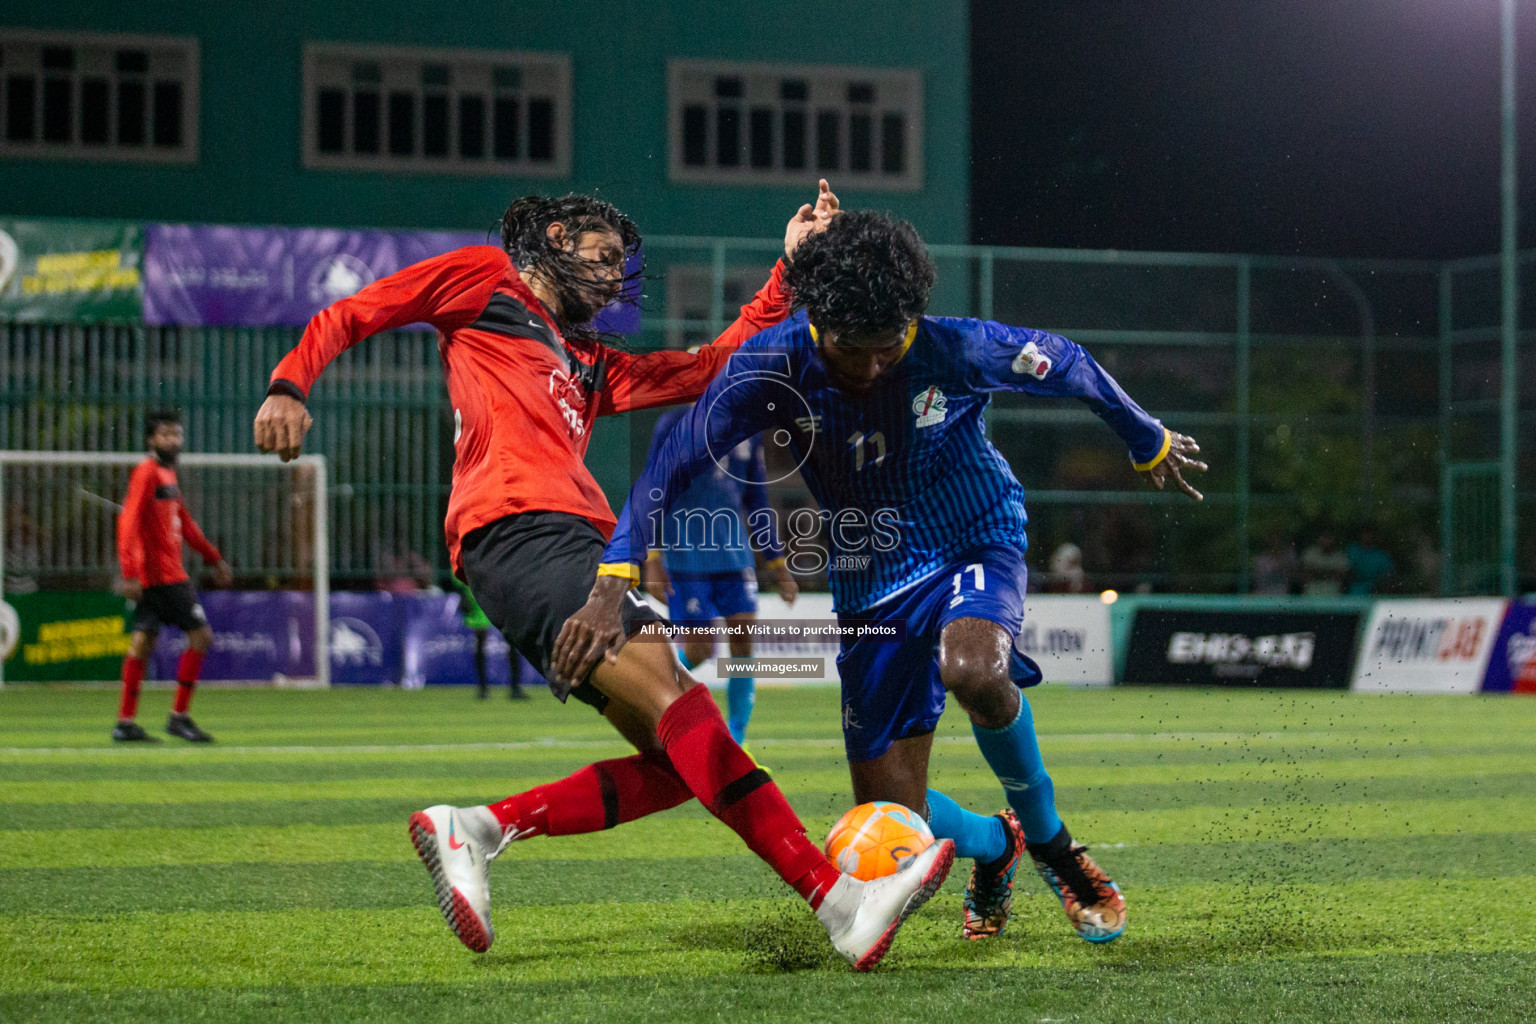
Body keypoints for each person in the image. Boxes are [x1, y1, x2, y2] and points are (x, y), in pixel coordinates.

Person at [253, 184, 952, 971]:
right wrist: (288, 382)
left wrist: (786, 273)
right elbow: (358, 310)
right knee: (683, 709)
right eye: (604, 258)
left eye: (624, 266)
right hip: (520, 532)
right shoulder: (486, 281)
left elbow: (711, 367)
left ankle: (478, 828)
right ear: (555, 237)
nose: (617, 278)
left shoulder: (590, 363)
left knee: (675, 765)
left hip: (569, 544)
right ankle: (840, 903)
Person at [558, 210, 1207, 945]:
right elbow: (671, 463)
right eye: (852, 352)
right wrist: (615, 572)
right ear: (817, 323)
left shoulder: (949, 346)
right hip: (870, 579)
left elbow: (1066, 361)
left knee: (972, 667)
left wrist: (1146, 438)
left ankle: (1057, 848)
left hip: (973, 534)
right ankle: (999, 845)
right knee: (896, 818)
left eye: (886, 348)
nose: (871, 368)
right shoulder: (769, 370)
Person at [640, 409, 797, 744]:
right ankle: (648, 689)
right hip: (685, 554)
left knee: (743, 637)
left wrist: (777, 564)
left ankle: (737, 737)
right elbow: (651, 489)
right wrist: (651, 557)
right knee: (699, 650)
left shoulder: (749, 427)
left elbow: (756, 500)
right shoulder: (674, 423)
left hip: (734, 554)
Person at [114, 410, 234, 743]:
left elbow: (186, 523)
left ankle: (125, 722)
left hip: (160, 577)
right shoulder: (147, 472)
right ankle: (178, 717)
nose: (173, 440)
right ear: (151, 439)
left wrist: (213, 558)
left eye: (176, 434)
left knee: (143, 642)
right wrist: (129, 572)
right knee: (201, 636)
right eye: (166, 434)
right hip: (165, 577)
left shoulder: (167, 476)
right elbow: (128, 522)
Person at [451, 574, 529, 699]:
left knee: (510, 639)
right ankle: (484, 688)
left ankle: (514, 688)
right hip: (479, 591)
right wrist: (462, 591)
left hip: (500, 591)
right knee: (482, 640)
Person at [1300, 529, 1349, 595]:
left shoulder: (1340, 556)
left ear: (1334, 539)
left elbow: (1342, 576)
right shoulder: (1310, 553)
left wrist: (1316, 570)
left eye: (1329, 537)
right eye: (1324, 537)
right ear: (1319, 538)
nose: (1326, 541)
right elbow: (1305, 573)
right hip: (1312, 590)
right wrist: (1331, 571)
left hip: (1333, 591)